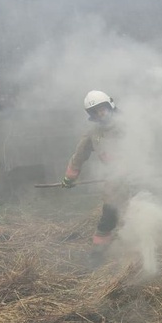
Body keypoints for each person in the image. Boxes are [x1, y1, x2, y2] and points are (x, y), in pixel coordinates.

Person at [62, 90, 127, 263]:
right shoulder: (93, 133)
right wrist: (70, 176)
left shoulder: (128, 124)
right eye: (95, 112)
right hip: (113, 182)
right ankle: (98, 254)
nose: (101, 114)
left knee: (139, 213)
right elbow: (79, 155)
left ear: (110, 105)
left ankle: (140, 250)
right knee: (108, 219)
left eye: (102, 109)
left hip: (136, 178)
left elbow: (145, 147)